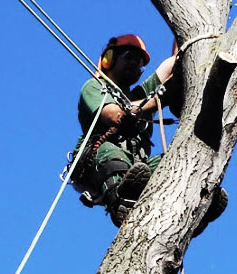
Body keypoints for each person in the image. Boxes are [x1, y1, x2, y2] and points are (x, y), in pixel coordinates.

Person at [72, 34, 177, 225]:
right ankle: (120, 199)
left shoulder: (139, 95)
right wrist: (156, 102)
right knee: (109, 150)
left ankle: (189, 207)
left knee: (174, 160)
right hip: (100, 164)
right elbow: (115, 114)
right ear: (109, 59)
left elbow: (172, 64)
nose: (135, 65)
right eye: (130, 57)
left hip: (136, 167)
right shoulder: (95, 87)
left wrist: (184, 39)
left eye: (139, 63)